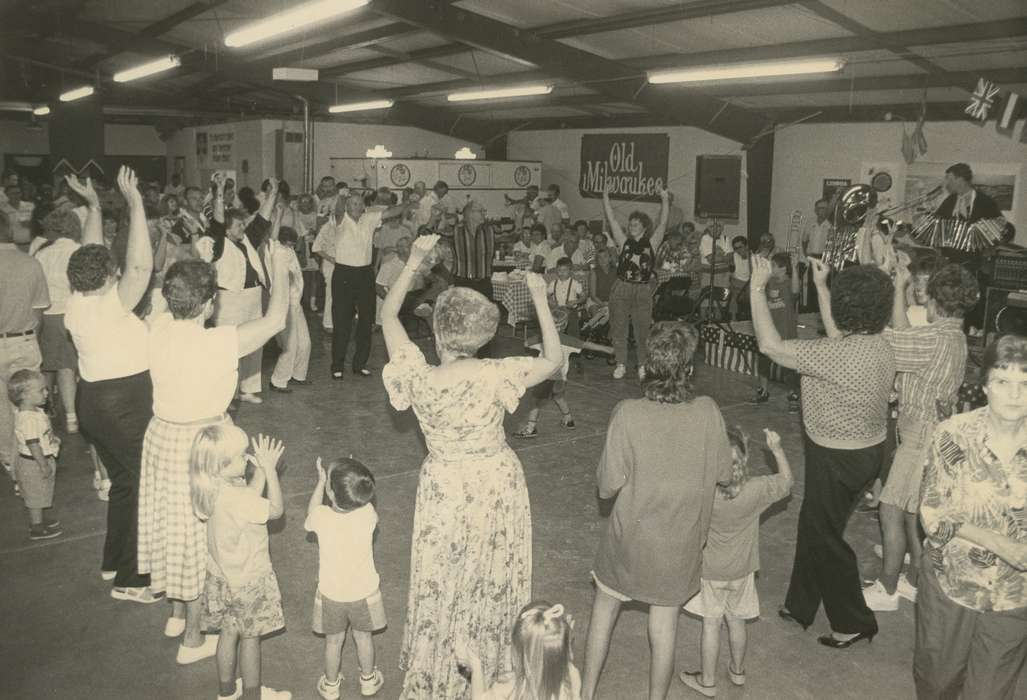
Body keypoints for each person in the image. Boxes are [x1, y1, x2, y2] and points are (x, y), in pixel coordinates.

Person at [380, 235, 563, 699]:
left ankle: (440, 666)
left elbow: (386, 315)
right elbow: (554, 361)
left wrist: (415, 262)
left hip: (444, 481)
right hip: (496, 481)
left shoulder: (418, 377)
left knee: (443, 575)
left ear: (438, 331)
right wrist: (540, 298)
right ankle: (494, 669)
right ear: (483, 336)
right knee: (493, 572)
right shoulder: (496, 373)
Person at [139, 250, 288, 664]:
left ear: (170, 299)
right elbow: (276, 321)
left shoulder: (157, 325)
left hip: (162, 435)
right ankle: (191, 638)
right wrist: (279, 267)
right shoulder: (220, 341)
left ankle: (174, 613)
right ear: (209, 304)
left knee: (174, 527)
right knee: (199, 538)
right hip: (203, 441)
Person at [581, 322, 732, 700]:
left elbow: (606, 486)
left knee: (604, 611)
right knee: (663, 629)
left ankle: (584, 695)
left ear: (646, 368)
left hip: (629, 540)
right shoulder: (708, 411)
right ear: (690, 370)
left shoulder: (628, 412)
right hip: (680, 544)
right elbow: (723, 474)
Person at [751, 257, 895, 648]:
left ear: (849, 305)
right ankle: (800, 605)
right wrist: (822, 285)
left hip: (836, 458)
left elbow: (769, 345)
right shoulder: (879, 344)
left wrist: (756, 287)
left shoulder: (832, 355)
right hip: (867, 451)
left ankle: (853, 621)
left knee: (824, 535)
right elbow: (840, 336)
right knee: (815, 524)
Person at [914, 334, 1027, 700]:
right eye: (1003, 381)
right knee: (937, 683)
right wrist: (997, 542)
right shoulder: (954, 435)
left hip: (1014, 595)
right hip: (952, 584)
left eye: (1025, 383)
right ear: (985, 385)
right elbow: (932, 516)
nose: (1015, 394)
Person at [861, 263, 979, 613]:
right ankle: (912, 581)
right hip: (931, 430)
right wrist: (899, 290)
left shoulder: (934, 338)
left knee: (890, 508)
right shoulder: (953, 335)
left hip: (919, 432)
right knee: (914, 513)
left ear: (935, 302)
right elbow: (908, 337)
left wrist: (872, 305)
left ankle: (886, 588)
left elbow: (890, 341)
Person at [64, 168, 159, 602]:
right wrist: (135, 202)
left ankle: (112, 561)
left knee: (123, 482)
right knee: (142, 485)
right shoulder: (111, 307)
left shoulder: (78, 300)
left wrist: (96, 207)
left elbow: (90, 250)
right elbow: (141, 264)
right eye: (113, 272)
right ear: (108, 278)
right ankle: (132, 579)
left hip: (94, 403)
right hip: (123, 405)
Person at [680, 427, 793, 698]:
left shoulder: (704, 493)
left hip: (710, 571)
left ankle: (707, 682)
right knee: (737, 621)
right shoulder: (755, 490)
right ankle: (737, 671)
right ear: (744, 459)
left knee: (711, 625)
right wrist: (777, 450)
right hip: (743, 571)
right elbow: (787, 483)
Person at [190, 427, 290, 700]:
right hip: (248, 578)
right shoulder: (239, 498)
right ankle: (253, 696)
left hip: (221, 576)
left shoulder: (211, 486)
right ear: (221, 465)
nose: (246, 459)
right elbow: (276, 510)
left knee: (228, 631)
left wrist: (258, 470)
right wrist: (270, 471)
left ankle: (226, 693)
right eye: (240, 457)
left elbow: (249, 501)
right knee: (250, 638)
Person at [305, 456, 386, 700]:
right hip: (364, 593)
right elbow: (362, 499)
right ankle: (368, 680)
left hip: (332, 594)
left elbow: (310, 515)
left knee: (333, 642)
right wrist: (353, 477)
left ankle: (331, 686)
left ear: (330, 492)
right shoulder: (368, 515)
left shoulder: (321, 517)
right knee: (364, 638)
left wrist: (320, 483)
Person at [208, 175, 278, 405]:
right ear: (227, 229)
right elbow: (218, 220)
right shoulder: (218, 243)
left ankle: (248, 389)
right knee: (230, 346)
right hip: (230, 300)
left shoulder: (246, 239)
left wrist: (273, 194)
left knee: (254, 343)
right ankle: (228, 391)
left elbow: (263, 220)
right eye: (238, 225)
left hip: (252, 297)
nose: (242, 228)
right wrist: (218, 190)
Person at [601, 185, 669, 380]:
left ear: (644, 227)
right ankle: (621, 363)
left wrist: (664, 198)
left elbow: (663, 223)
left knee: (642, 330)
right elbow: (612, 218)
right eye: (630, 224)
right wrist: (606, 195)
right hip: (622, 287)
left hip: (642, 289)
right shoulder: (623, 242)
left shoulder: (653, 242)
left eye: (636, 224)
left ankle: (642, 365)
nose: (632, 226)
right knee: (619, 327)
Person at [455, 601, 582, 700]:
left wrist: (476, 667)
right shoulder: (572, 677)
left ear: (518, 652)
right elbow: (565, 661)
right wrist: (565, 641)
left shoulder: (511, 686)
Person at [33, 194, 82, 433]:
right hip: (72, 313)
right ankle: (72, 417)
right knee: (67, 367)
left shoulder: (42, 254)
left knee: (47, 366)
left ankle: (45, 410)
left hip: (46, 314)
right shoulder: (79, 251)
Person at [8, 369, 62, 540]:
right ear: (25, 395)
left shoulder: (35, 412)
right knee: (35, 494)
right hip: (34, 462)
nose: (46, 393)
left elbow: (41, 434)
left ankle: (40, 519)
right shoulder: (28, 418)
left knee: (41, 492)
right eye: (41, 390)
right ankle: (36, 527)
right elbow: (33, 444)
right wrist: (43, 464)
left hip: (38, 459)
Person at [750, 252, 801, 413]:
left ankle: (793, 396)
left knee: (789, 368)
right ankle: (763, 391)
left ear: (783, 269)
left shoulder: (788, 284)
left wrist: (794, 267)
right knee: (764, 362)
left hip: (786, 332)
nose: (770, 268)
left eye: (773, 266)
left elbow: (795, 291)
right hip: (770, 330)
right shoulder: (769, 282)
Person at [451, 200, 500, 358]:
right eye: (481, 211)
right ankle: (463, 357)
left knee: (486, 321)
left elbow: (512, 234)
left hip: (484, 283)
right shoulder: (455, 231)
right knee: (463, 322)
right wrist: (433, 217)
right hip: (463, 282)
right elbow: (426, 233)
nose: (484, 214)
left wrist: (519, 218)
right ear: (470, 213)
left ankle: (484, 358)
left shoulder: (490, 230)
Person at [269, 227, 312, 394]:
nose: (292, 246)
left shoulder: (289, 250)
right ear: (282, 241)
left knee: (305, 343)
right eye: (289, 243)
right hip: (283, 304)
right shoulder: (276, 251)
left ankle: (297, 374)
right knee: (290, 344)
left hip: (295, 303)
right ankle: (277, 381)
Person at [728, 236, 751, 320]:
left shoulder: (753, 258)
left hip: (748, 285)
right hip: (735, 284)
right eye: (736, 248)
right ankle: (733, 320)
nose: (738, 250)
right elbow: (730, 273)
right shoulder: (733, 256)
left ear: (746, 246)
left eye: (740, 247)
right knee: (732, 294)